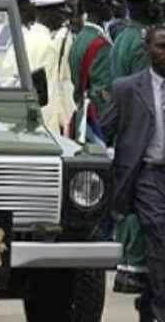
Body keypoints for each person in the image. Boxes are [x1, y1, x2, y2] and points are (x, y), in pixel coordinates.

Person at [101, 24, 165, 322]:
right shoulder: (127, 89)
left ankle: (149, 300)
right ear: (148, 50)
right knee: (159, 236)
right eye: (160, 46)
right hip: (147, 176)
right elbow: (104, 130)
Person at [108, 0, 163, 296]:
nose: (158, 6)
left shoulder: (121, 37)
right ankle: (138, 269)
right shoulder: (142, 43)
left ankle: (130, 265)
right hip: (143, 130)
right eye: (154, 2)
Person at [32, 0, 76, 135]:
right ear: (47, 14)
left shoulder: (29, 36)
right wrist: (54, 127)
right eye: (59, 13)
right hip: (45, 123)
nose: (63, 18)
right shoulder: (47, 45)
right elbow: (49, 89)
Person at [69, 0, 114, 118]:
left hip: (81, 110)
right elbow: (101, 94)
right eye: (110, 4)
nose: (112, 8)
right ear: (101, 7)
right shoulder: (101, 44)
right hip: (96, 119)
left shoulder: (82, 36)